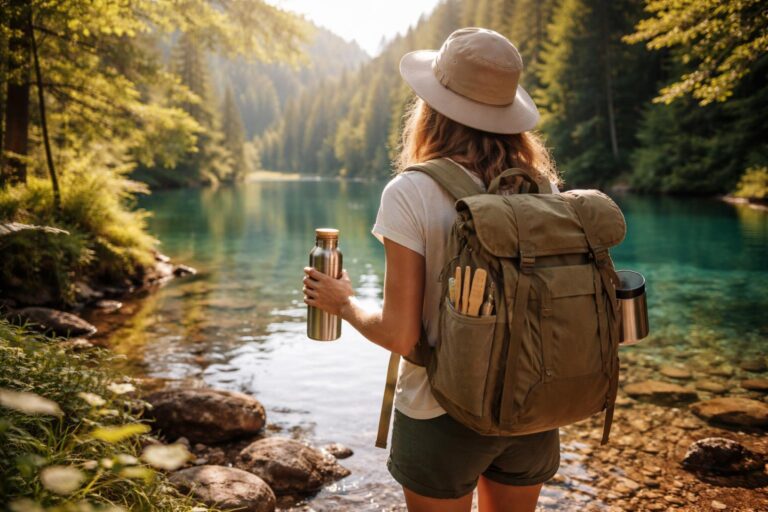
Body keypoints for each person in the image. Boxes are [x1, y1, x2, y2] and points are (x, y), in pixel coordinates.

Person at [303, 27, 561, 512]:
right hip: (532, 407)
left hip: (439, 413)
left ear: (432, 110)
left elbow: (401, 336)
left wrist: (343, 303)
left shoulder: (412, 192)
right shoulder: (541, 187)